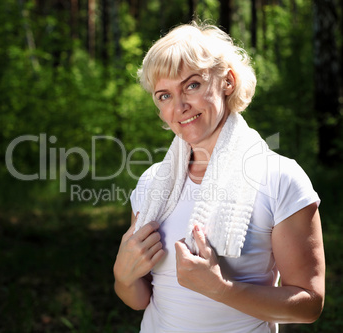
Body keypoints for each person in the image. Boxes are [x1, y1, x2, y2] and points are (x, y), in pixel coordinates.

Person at [113, 21, 325, 333]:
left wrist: (220, 288)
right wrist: (122, 275)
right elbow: (139, 299)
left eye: (192, 85)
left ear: (227, 81)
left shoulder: (280, 178)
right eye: (164, 95)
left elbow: (309, 305)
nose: (180, 106)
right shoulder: (152, 183)